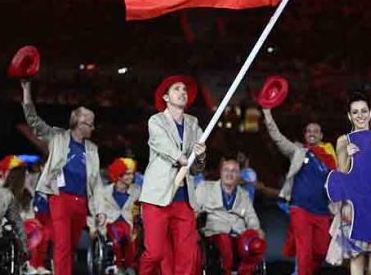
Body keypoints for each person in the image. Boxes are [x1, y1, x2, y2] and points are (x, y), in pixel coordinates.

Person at [21, 79, 101, 275]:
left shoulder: (92, 149)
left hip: (81, 202)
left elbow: (96, 182)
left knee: (70, 246)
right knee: (63, 245)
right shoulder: (57, 138)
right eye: (90, 123)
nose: (93, 127)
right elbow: (33, 120)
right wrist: (26, 90)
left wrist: (100, 210)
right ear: (78, 123)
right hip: (60, 197)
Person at [139, 75, 207, 275]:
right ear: (166, 97)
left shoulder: (194, 124)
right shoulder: (156, 121)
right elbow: (161, 143)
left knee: (187, 257)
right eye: (177, 89)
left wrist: (200, 156)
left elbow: (196, 169)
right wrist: (181, 156)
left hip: (184, 199)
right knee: (155, 253)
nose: (182, 92)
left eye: (185, 89)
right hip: (158, 197)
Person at [328, 92, 371, 275]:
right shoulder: (343, 141)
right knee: (357, 259)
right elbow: (341, 174)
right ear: (349, 116)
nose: (360, 115)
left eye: (364, 111)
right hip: (354, 207)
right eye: (355, 112)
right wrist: (348, 157)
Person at [262, 107, 335, 275]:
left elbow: (338, 184)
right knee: (304, 251)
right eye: (309, 131)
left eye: (315, 131)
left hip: (323, 211)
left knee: (321, 251)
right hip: (300, 208)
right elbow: (277, 137)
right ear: (305, 135)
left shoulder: (330, 158)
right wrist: (267, 114)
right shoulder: (298, 151)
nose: (312, 133)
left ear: (321, 136)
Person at [195, 157, 265, 275]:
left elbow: (251, 216)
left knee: (257, 243)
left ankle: (244, 272)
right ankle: (226, 272)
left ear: (238, 175)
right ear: (221, 172)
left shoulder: (243, 194)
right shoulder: (205, 187)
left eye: (234, 171)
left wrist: (256, 231)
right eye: (226, 170)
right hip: (214, 232)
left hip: (238, 233)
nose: (229, 174)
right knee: (223, 240)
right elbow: (195, 210)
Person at [99, 157, 141, 274]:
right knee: (118, 238)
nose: (130, 177)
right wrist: (94, 226)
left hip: (130, 223)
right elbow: (99, 210)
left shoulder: (137, 191)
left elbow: (139, 210)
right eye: (127, 174)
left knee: (132, 239)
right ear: (118, 174)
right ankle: (119, 266)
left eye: (132, 174)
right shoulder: (105, 192)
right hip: (111, 223)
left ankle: (129, 266)